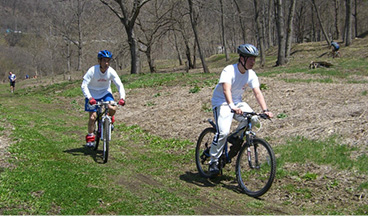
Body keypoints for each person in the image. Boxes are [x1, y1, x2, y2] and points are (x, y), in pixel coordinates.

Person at [209, 44, 274, 175]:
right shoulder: (229, 70)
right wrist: (231, 106)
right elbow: (226, 89)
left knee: (254, 119)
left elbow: (257, 93)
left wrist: (265, 109)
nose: (253, 62)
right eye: (250, 59)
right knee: (223, 132)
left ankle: (236, 138)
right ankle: (213, 161)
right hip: (221, 102)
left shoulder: (251, 74)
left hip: (237, 102)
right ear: (242, 59)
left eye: (254, 59)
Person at [81, 50, 126, 147]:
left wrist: (122, 98)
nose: (106, 63)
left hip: (105, 93)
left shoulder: (111, 71)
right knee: (92, 117)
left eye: (108, 61)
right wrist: (89, 98)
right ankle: (90, 138)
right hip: (92, 95)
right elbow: (84, 85)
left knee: (113, 108)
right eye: (104, 61)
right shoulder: (92, 70)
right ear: (99, 61)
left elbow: (119, 85)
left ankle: (109, 120)